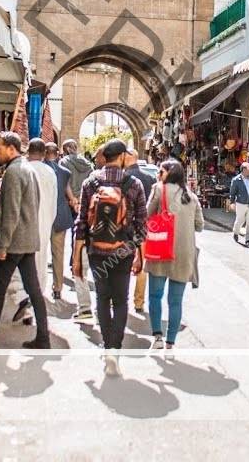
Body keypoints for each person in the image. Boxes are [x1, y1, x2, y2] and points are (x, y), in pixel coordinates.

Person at [0, 132, 50, 349]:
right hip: (27, 240)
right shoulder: (27, 168)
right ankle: (43, 338)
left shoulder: (14, 171)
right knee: (34, 291)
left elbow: (11, 212)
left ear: (11, 148)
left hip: (14, 243)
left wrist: (2, 244)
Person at [73, 139, 146, 377]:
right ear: (123, 156)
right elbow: (141, 225)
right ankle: (115, 349)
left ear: (104, 157)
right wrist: (139, 256)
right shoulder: (133, 184)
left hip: (97, 251)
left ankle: (107, 347)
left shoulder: (90, 183)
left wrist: (76, 257)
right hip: (123, 252)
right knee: (121, 300)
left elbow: (81, 223)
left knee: (102, 299)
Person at [144, 159, 204, 353]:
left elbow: (147, 214)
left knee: (155, 295)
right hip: (184, 254)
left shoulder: (158, 189)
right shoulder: (191, 197)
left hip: (161, 249)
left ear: (169, 173)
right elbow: (200, 226)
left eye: (160, 171)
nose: (158, 175)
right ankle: (170, 342)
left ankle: (157, 337)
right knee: (176, 301)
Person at [13, 138, 58, 324]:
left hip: (23, 224)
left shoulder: (21, 169)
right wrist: (48, 222)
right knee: (39, 266)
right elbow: (54, 202)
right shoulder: (50, 172)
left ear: (27, 151)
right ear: (44, 153)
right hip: (44, 224)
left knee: (18, 264)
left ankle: (23, 298)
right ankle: (32, 306)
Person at [123, 147, 156, 314]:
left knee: (123, 264)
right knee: (141, 264)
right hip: (144, 227)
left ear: (127, 158)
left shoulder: (123, 178)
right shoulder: (150, 178)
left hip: (126, 227)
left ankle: (120, 299)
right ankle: (139, 302)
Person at [47, 142, 75, 302]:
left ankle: (36, 288)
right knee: (58, 254)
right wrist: (73, 201)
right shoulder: (65, 172)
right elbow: (67, 191)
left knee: (38, 254)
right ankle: (57, 288)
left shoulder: (39, 169)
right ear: (57, 154)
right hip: (60, 215)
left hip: (43, 216)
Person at [227, 162, 249, 246]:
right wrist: (232, 202)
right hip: (241, 203)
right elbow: (232, 193)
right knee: (240, 220)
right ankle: (236, 232)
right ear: (244, 170)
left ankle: (248, 239)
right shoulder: (236, 180)